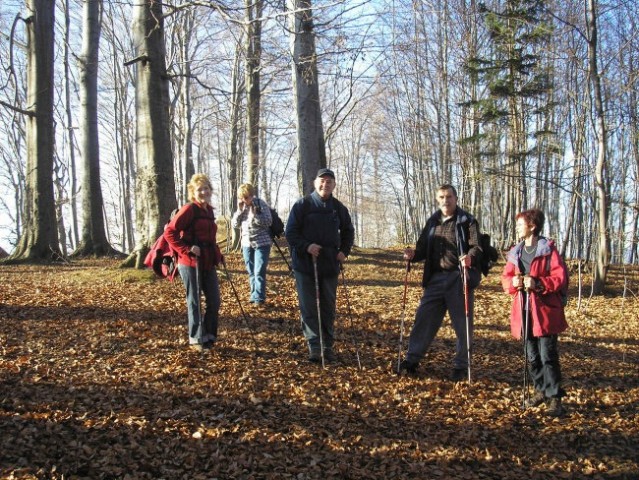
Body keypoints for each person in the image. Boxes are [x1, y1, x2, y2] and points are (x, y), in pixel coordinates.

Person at [397, 184, 482, 381]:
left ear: (456, 198)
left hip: (458, 278)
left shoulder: (467, 221)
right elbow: (422, 248)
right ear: (438, 199)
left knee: (463, 325)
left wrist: (470, 257)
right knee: (423, 319)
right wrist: (412, 254)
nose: (446, 200)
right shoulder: (433, 221)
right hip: (435, 278)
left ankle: (461, 367)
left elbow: (477, 247)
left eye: (449, 196)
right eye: (442, 197)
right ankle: (412, 360)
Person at [501, 208, 568, 417]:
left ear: (532, 226)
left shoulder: (548, 250)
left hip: (545, 312)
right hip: (523, 312)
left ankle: (554, 397)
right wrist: (513, 282)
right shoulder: (516, 252)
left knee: (548, 355)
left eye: (521, 224)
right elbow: (506, 278)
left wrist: (538, 282)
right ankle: (540, 391)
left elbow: (560, 278)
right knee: (532, 356)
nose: (518, 227)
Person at [285, 168, 355, 363]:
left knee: (328, 307)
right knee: (309, 307)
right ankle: (314, 346)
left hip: (330, 264)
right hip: (306, 265)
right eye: (322, 181)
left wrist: (344, 251)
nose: (325, 185)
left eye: (329, 182)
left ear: (334, 185)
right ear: (315, 183)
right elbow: (290, 233)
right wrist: (307, 246)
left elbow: (348, 231)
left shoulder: (338, 208)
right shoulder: (302, 205)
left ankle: (327, 345)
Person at [165, 173, 222, 352]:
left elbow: (211, 238)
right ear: (192, 192)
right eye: (199, 189)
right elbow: (170, 232)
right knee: (195, 301)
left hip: (207, 261)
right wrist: (187, 249)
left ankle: (209, 336)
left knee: (214, 300)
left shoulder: (209, 210)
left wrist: (218, 254)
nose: (203, 192)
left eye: (206, 188)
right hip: (189, 262)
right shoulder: (189, 209)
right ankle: (196, 339)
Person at [231, 183, 273, 306]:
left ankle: (259, 298)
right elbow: (235, 224)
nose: (245, 200)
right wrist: (239, 211)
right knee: (251, 271)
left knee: (259, 270)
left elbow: (268, 221)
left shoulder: (260, 204)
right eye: (242, 197)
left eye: (247, 197)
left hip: (262, 243)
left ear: (252, 195)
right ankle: (254, 293)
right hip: (246, 243)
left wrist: (255, 216)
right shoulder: (241, 208)